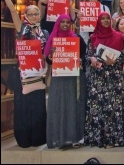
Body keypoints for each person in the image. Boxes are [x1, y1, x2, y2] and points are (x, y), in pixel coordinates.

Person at [1, 0, 48, 148]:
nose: (34, 16)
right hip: (23, 74)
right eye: (31, 14)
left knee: (38, 107)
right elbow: (13, 11)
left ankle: (38, 138)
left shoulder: (45, 33)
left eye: (36, 13)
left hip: (39, 74)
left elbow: (46, 53)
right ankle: (24, 139)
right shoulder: (22, 29)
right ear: (26, 15)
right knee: (23, 107)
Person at [84, 12, 124, 148]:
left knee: (114, 108)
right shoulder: (92, 38)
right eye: (102, 19)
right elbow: (88, 55)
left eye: (107, 19)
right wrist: (91, 59)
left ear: (111, 21)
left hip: (114, 77)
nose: (104, 21)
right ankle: (98, 139)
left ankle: (114, 139)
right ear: (98, 21)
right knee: (98, 107)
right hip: (98, 78)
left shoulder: (119, 36)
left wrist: (114, 61)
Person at [44, 14, 86, 148]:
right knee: (58, 106)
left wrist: (81, 61)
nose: (65, 24)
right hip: (58, 78)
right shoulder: (53, 40)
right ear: (58, 23)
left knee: (72, 106)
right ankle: (58, 138)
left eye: (68, 22)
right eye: (62, 22)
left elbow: (84, 55)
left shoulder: (76, 38)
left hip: (73, 78)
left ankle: (73, 137)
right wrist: (52, 55)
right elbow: (48, 59)